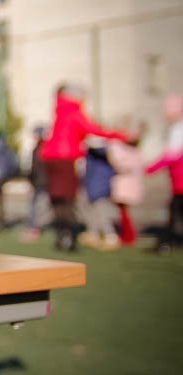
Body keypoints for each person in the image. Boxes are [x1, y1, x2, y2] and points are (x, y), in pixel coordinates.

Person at [39, 83, 127, 251]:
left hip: (50, 157)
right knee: (68, 199)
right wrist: (117, 135)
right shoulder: (73, 111)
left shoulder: (60, 109)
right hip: (65, 158)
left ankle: (61, 234)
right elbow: (92, 129)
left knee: (57, 198)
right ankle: (69, 236)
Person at [146, 94, 183, 252]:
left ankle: (166, 242)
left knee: (174, 211)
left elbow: (172, 155)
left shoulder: (178, 129)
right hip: (177, 179)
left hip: (180, 179)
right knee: (175, 210)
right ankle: (169, 241)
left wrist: (151, 168)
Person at [107, 122, 146, 246]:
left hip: (124, 184)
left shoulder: (124, 152)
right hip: (130, 183)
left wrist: (113, 140)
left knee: (124, 212)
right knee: (124, 212)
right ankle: (128, 235)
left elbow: (117, 162)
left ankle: (128, 236)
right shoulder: (136, 152)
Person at [80, 145, 119, 250]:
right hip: (92, 187)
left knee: (103, 213)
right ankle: (94, 234)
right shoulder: (92, 156)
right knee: (92, 213)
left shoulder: (102, 154)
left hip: (99, 189)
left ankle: (110, 236)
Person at [21, 126, 49, 241]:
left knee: (40, 206)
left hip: (43, 182)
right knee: (34, 205)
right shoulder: (36, 148)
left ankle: (35, 228)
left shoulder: (44, 148)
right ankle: (33, 227)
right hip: (37, 181)